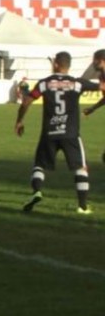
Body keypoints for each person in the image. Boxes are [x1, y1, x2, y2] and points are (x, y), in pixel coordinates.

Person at [16, 51, 98, 215]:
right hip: (70, 133)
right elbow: (102, 87)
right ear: (68, 65)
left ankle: (37, 192)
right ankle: (82, 206)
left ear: (55, 64)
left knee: (39, 165)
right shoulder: (77, 83)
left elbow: (26, 101)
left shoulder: (45, 83)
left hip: (49, 133)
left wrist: (19, 121)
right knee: (81, 168)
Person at [82, 49, 105, 163]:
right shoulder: (101, 76)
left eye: (94, 60)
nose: (93, 63)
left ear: (101, 61)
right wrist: (93, 108)